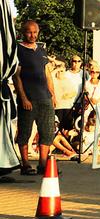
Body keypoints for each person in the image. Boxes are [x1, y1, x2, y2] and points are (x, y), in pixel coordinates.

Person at [13, 20, 56, 175]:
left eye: (35, 32)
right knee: (25, 131)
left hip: (45, 97)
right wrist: (23, 98)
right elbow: (16, 77)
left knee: (47, 131)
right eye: (29, 32)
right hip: (28, 99)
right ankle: (25, 164)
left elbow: (47, 73)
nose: (33, 35)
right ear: (23, 32)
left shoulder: (41, 49)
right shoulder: (18, 50)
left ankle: (42, 164)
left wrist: (53, 94)